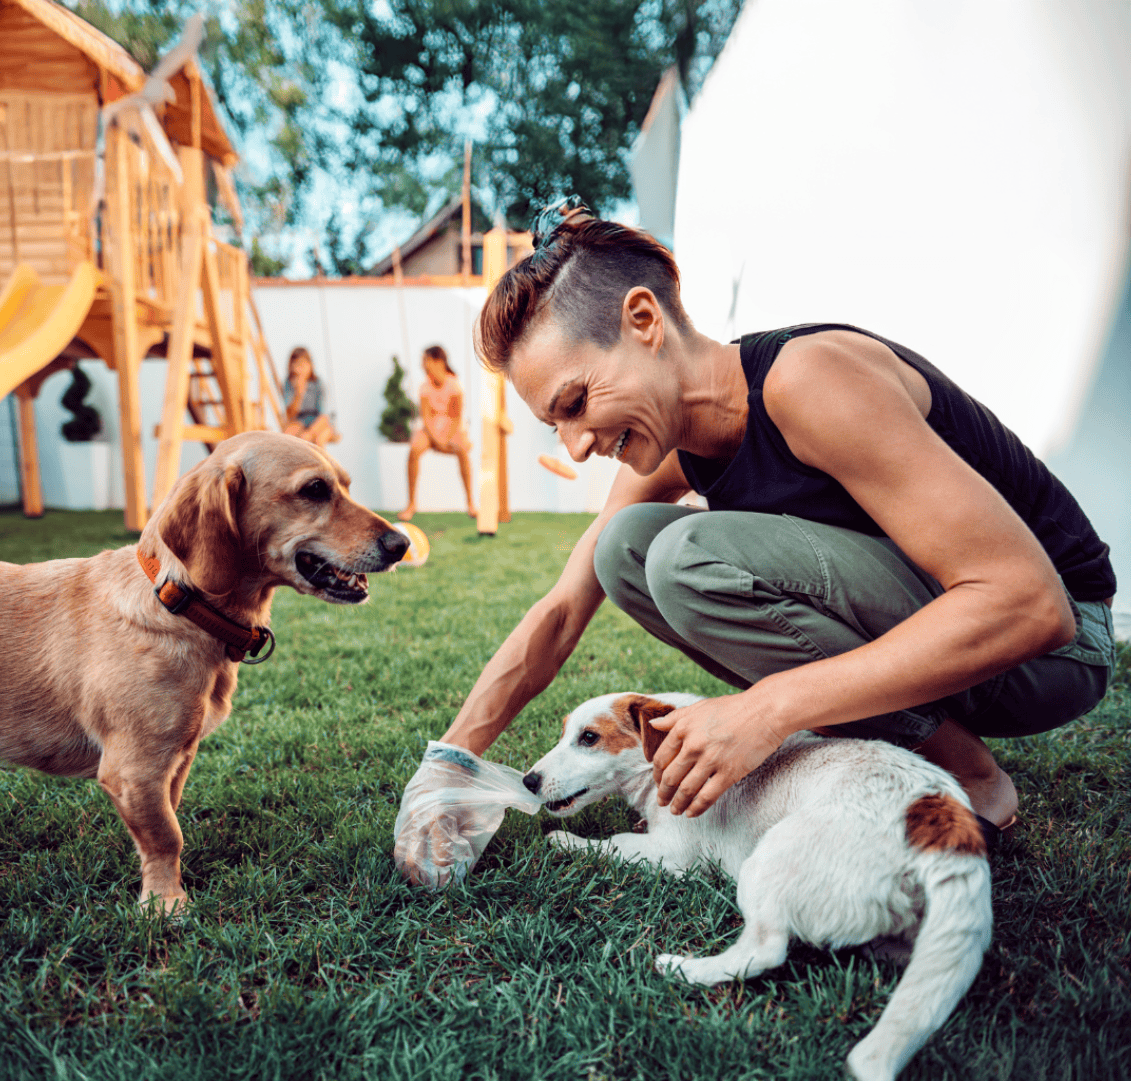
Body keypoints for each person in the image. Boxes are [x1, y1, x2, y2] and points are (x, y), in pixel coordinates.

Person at [397, 206, 1117, 878]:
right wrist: (450, 765)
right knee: (624, 548)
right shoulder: (676, 445)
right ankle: (888, 745)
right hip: (949, 635)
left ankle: (970, 773)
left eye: (577, 403)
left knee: (683, 559)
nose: (578, 445)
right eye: (556, 425)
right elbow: (562, 609)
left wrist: (768, 710)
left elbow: (1031, 606)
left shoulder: (810, 380)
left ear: (644, 320)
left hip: (1057, 651)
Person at [398, 345, 477, 520]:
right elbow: (426, 417)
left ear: (438, 362)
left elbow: (456, 417)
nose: (423, 365)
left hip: (452, 428)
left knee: (463, 452)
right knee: (414, 450)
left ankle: (471, 503)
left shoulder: (454, 385)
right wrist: (435, 439)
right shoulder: (424, 387)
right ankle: (411, 504)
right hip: (431, 429)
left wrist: (446, 438)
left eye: (426, 360)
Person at [283, 347, 340, 445]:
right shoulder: (289, 383)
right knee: (288, 434)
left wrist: (309, 433)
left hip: (317, 421)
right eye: (296, 364)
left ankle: (310, 439)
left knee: (318, 438)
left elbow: (322, 415)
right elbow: (290, 415)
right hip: (299, 421)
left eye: (303, 364)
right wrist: (298, 394)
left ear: (310, 365)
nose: (300, 369)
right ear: (291, 366)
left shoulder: (318, 383)